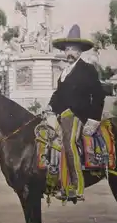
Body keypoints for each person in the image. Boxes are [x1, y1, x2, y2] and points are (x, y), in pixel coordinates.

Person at [45, 24, 106, 201]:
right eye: (67, 49)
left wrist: (94, 119)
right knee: (50, 141)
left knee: (68, 143)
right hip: (61, 115)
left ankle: (77, 187)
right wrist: (50, 107)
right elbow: (58, 95)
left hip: (78, 114)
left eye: (74, 49)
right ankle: (60, 184)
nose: (69, 52)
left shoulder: (87, 70)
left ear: (80, 51)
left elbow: (99, 95)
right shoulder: (64, 72)